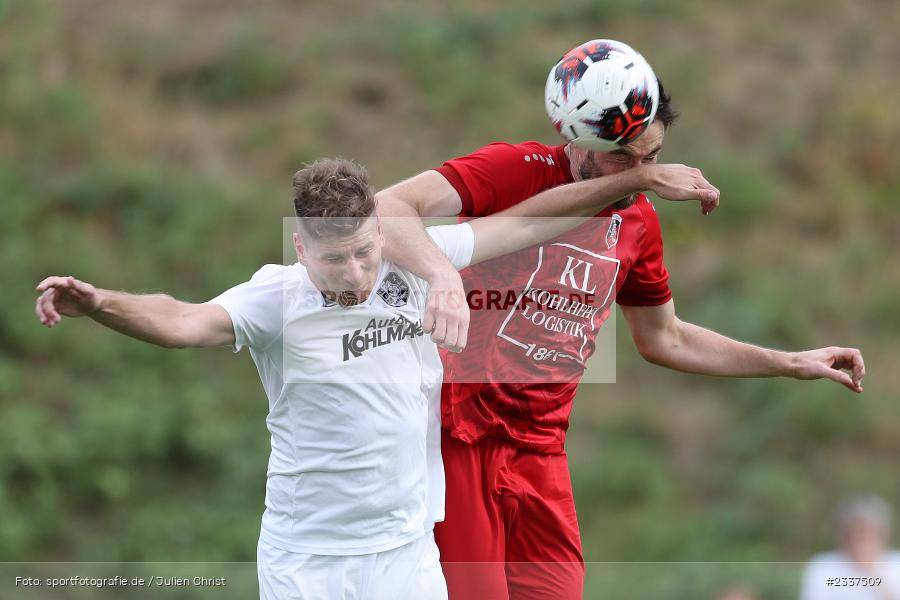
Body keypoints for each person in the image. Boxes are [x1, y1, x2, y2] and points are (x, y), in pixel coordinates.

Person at [375, 81, 867, 600]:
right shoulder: (517, 169)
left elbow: (666, 338)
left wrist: (789, 362)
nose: (637, 173)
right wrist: (443, 275)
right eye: (622, 159)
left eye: (651, 157)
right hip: (460, 436)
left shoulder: (638, 220)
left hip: (541, 451)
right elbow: (388, 207)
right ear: (579, 140)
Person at [34, 158, 605, 600]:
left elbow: (533, 220)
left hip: (406, 554)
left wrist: (638, 178)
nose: (353, 274)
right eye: (333, 260)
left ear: (381, 233)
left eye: (363, 253)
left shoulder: (417, 263)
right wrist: (101, 302)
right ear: (301, 247)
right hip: (309, 559)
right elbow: (184, 320)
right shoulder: (276, 299)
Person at [800, 494, 900, 600]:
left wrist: (871, 574)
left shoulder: (896, 564)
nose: (860, 539)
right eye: (854, 532)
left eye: (867, 532)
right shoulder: (823, 566)